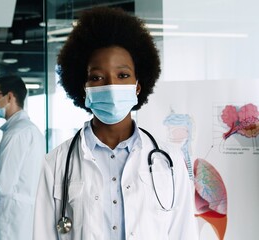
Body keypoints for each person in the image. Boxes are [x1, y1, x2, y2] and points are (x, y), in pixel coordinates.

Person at [33, 7, 198, 240]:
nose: (111, 86)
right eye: (97, 77)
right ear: (84, 88)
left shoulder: (169, 161)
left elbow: (184, 234)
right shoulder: (56, 163)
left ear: (138, 86)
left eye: (122, 75)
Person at [0, 75, 45, 240]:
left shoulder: (17, 133)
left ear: (9, 97)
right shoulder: (30, 130)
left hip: (9, 223)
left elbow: (1, 186)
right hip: (19, 221)